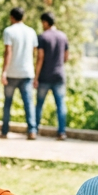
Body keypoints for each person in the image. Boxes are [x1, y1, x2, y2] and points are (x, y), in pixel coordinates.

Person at [1, 7, 38, 140]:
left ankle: (5, 131)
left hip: (12, 73)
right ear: (23, 17)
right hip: (27, 73)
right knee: (28, 103)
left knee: (7, 103)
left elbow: (8, 52)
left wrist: (4, 72)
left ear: (12, 17)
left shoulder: (8, 31)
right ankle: (32, 131)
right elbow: (35, 52)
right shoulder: (31, 32)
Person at [34, 12, 69, 140]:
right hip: (59, 75)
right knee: (60, 105)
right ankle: (61, 132)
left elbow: (40, 58)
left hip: (44, 76)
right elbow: (66, 57)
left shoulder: (42, 37)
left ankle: (34, 130)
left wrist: (36, 77)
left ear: (45, 22)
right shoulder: (63, 36)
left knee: (39, 105)